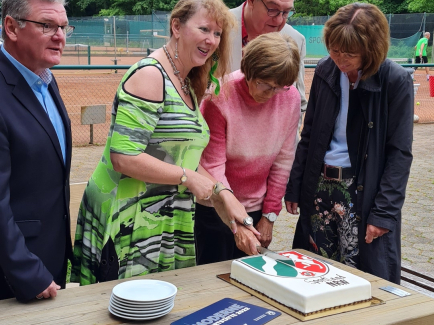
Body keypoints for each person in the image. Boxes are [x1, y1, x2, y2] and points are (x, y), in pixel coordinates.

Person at [71, 0, 256, 286]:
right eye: (204, 29)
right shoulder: (150, 75)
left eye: (217, 33)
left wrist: (225, 195)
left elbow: (184, 159)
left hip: (161, 215)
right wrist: (187, 177)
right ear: (177, 26)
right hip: (128, 217)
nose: (212, 40)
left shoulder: (187, 81)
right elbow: (124, 156)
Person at [285, 3, 413, 284]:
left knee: (360, 280)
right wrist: (295, 186)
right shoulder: (325, 70)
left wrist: (384, 213)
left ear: (371, 50)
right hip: (320, 186)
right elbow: (309, 135)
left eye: (350, 54)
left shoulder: (395, 80)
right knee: (315, 275)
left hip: (362, 193)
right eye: (334, 50)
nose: (340, 59)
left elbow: (399, 153)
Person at [195, 32, 301, 265]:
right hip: (215, 206)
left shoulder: (289, 97)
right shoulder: (221, 95)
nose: (271, 94)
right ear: (249, 70)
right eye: (264, 84)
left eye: (278, 87)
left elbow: (283, 161)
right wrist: (236, 222)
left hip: (256, 208)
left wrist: (269, 216)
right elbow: (213, 166)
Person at [0, 0, 73, 301]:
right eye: (47, 25)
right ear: (11, 28)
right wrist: (28, 271)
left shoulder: (44, 78)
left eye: (64, 27)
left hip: (48, 261)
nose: (60, 36)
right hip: (14, 275)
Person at [229, 0, 307, 128]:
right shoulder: (215, 27)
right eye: (272, 9)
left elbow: (297, 105)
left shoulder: (295, 40)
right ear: (251, 2)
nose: (279, 20)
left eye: (286, 12)